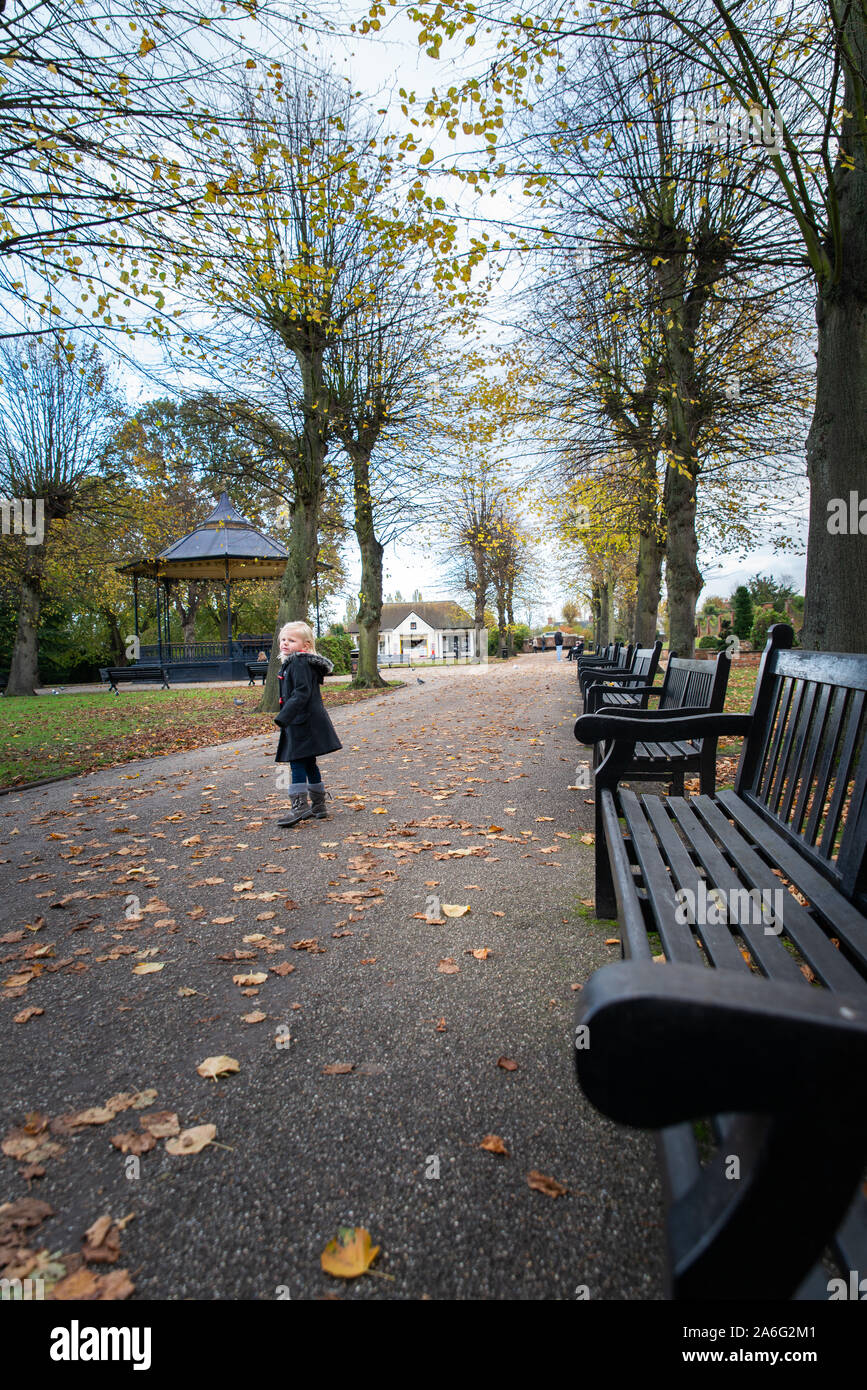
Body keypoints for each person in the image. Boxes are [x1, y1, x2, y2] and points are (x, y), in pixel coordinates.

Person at [274, 621, 342, 828]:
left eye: (291, 640)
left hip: (300, 720)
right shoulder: (297, 662)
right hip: (304, 719)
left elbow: (302, 692)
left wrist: (285, 716)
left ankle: (300, 806)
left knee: (296, 761)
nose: (285, 643)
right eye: (283, 640)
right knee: (309, 761)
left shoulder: (299, 663)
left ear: (305, 645)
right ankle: (318, 806)